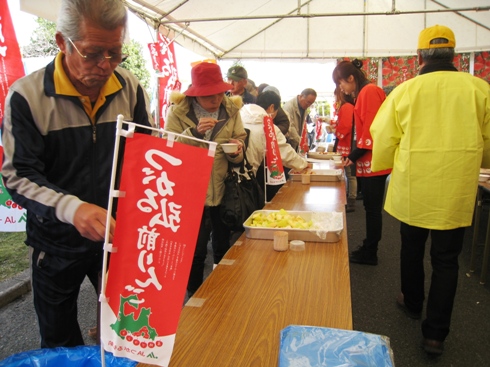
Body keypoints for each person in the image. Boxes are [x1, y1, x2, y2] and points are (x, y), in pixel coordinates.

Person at [0, 0, 154, 348]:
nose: (105, 66)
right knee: (58, 340)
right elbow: (18, 176)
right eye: (92, 53)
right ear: (61, 41)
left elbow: (146, 157)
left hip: (118, 238)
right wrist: (72, 209)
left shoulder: (128, 88)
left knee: (126, 332)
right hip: (55, 241)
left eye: (115, 53)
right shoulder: (27, 96)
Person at [370, 25, 490, 356]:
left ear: (420, 56)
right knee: (446, 259)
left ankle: (411, 302)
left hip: (413, 186)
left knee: (411, 248)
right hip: (455, 186)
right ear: (454, 54)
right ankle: (435, 335)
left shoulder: (406, 90)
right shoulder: (479, 88)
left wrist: (385, 164)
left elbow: (383, 137)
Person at [165, 62, 247, 297]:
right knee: (195, 249)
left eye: (220, 93)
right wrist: (195, 134)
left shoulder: (231, 109)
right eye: (209, 96)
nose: (217, 100)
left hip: (222, 185)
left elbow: (240, 137)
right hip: (190, 189)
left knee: (222, 246)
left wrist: (237, 149)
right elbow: (170, 149)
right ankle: (193, 297)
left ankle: (222, 293)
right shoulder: (178, 112)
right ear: (196, 94)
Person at [332, 59, 391, 266]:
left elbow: (371, 129)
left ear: (351, 78)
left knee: (373, 209)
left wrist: (353, 155)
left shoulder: (369, 91)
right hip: (369, 159)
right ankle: (368, 246)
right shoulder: (365, 92)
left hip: (374, 160)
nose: (341, 88)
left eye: (341, 83)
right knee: (370, 207)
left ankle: (370, 251)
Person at [241, 91, 308, 201]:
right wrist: (304, 165)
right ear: (272, 107)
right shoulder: (268, 127)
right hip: (248, 178)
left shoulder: (239, 116)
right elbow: (286, 154)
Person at [333, 87, 357, 213]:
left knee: (349, 174)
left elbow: (346, 126)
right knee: (349, 174)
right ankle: (350, 198)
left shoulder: (346, 106)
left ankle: (351, 199)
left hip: (347, 144)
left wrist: (336, 132)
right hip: (347, 143)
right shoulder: (349, 106)